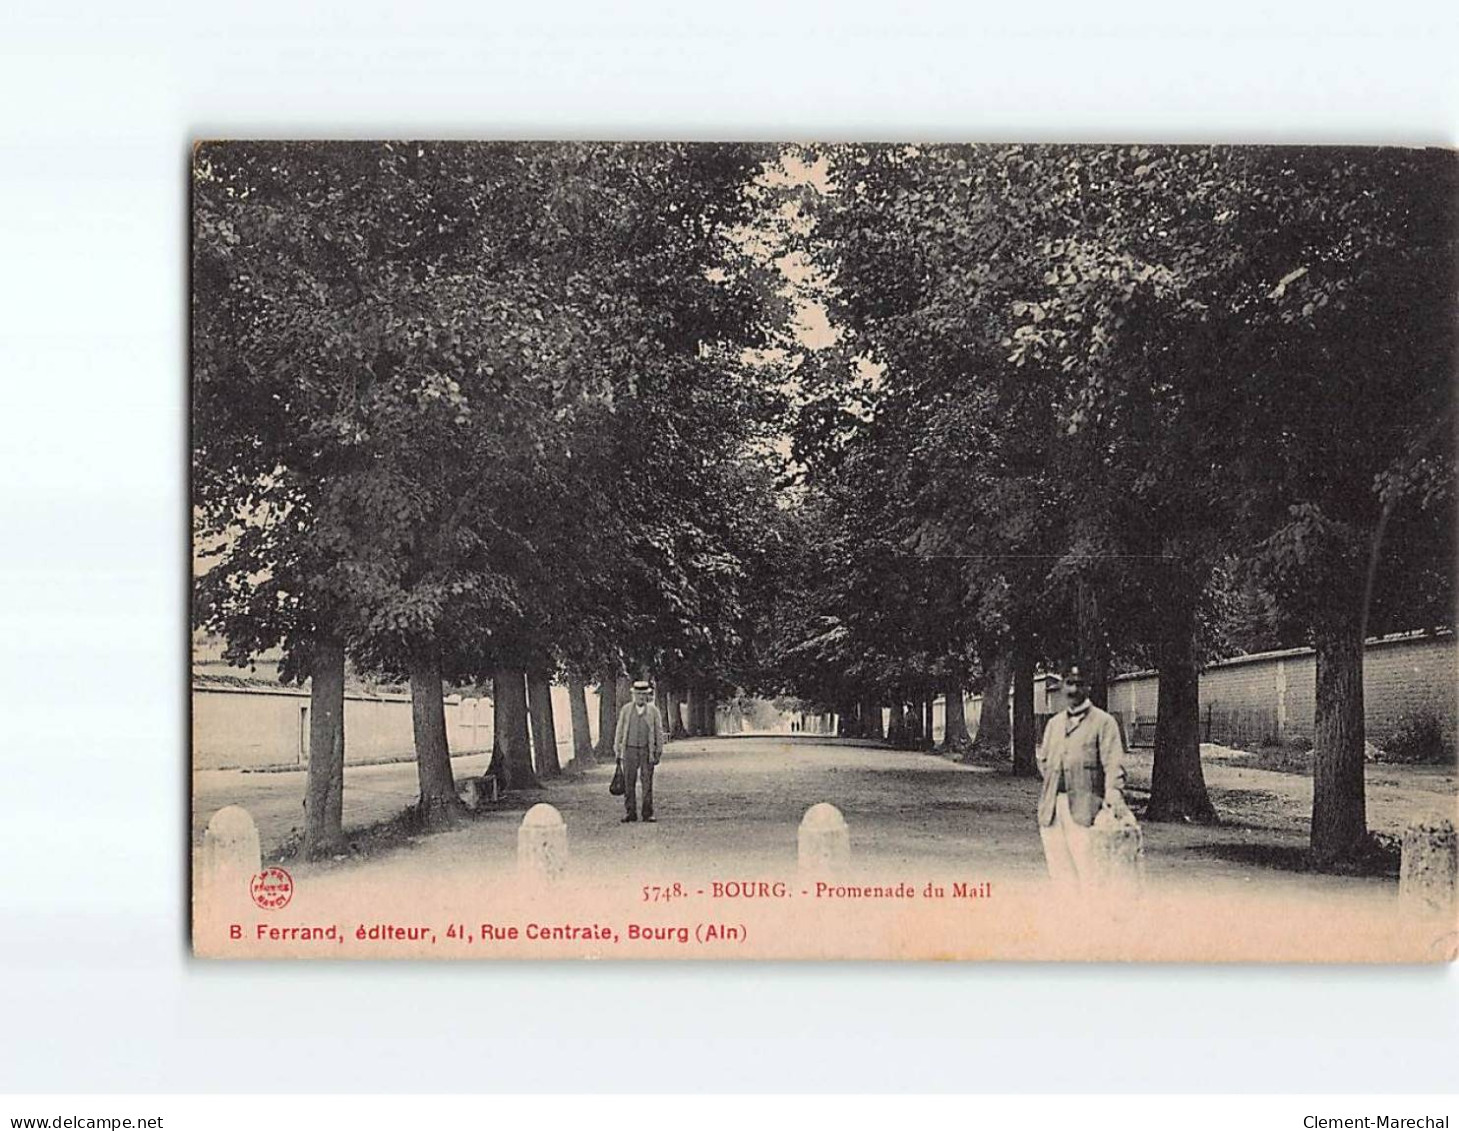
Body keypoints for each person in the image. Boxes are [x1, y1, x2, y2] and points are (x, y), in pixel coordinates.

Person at [1035, 663, 1129, 887]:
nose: (1074, 690)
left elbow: (1114, 764)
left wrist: (1112, 795)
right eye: (1069, 683)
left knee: (1088, 874)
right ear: (1062, 686)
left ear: (1088, 687)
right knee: (1059, 875)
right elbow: (1044, 760)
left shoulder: (1104, 723)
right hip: (1052, 809)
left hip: (1086, 810)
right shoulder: (1053, 724)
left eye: (1079, 684)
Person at [614, 679, 666, 823]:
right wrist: (617, 750)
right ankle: (630, 812)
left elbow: (658, 731)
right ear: (633, 695)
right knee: (628, 782)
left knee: (647, 782)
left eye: (643, 695)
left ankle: (647, 813)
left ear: (647, 696)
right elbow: (619, 730)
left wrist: (658, 750)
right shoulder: (626, 710)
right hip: (629, 750)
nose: (641, 697)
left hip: (646, 751)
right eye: (638, 694)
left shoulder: (653, 711)